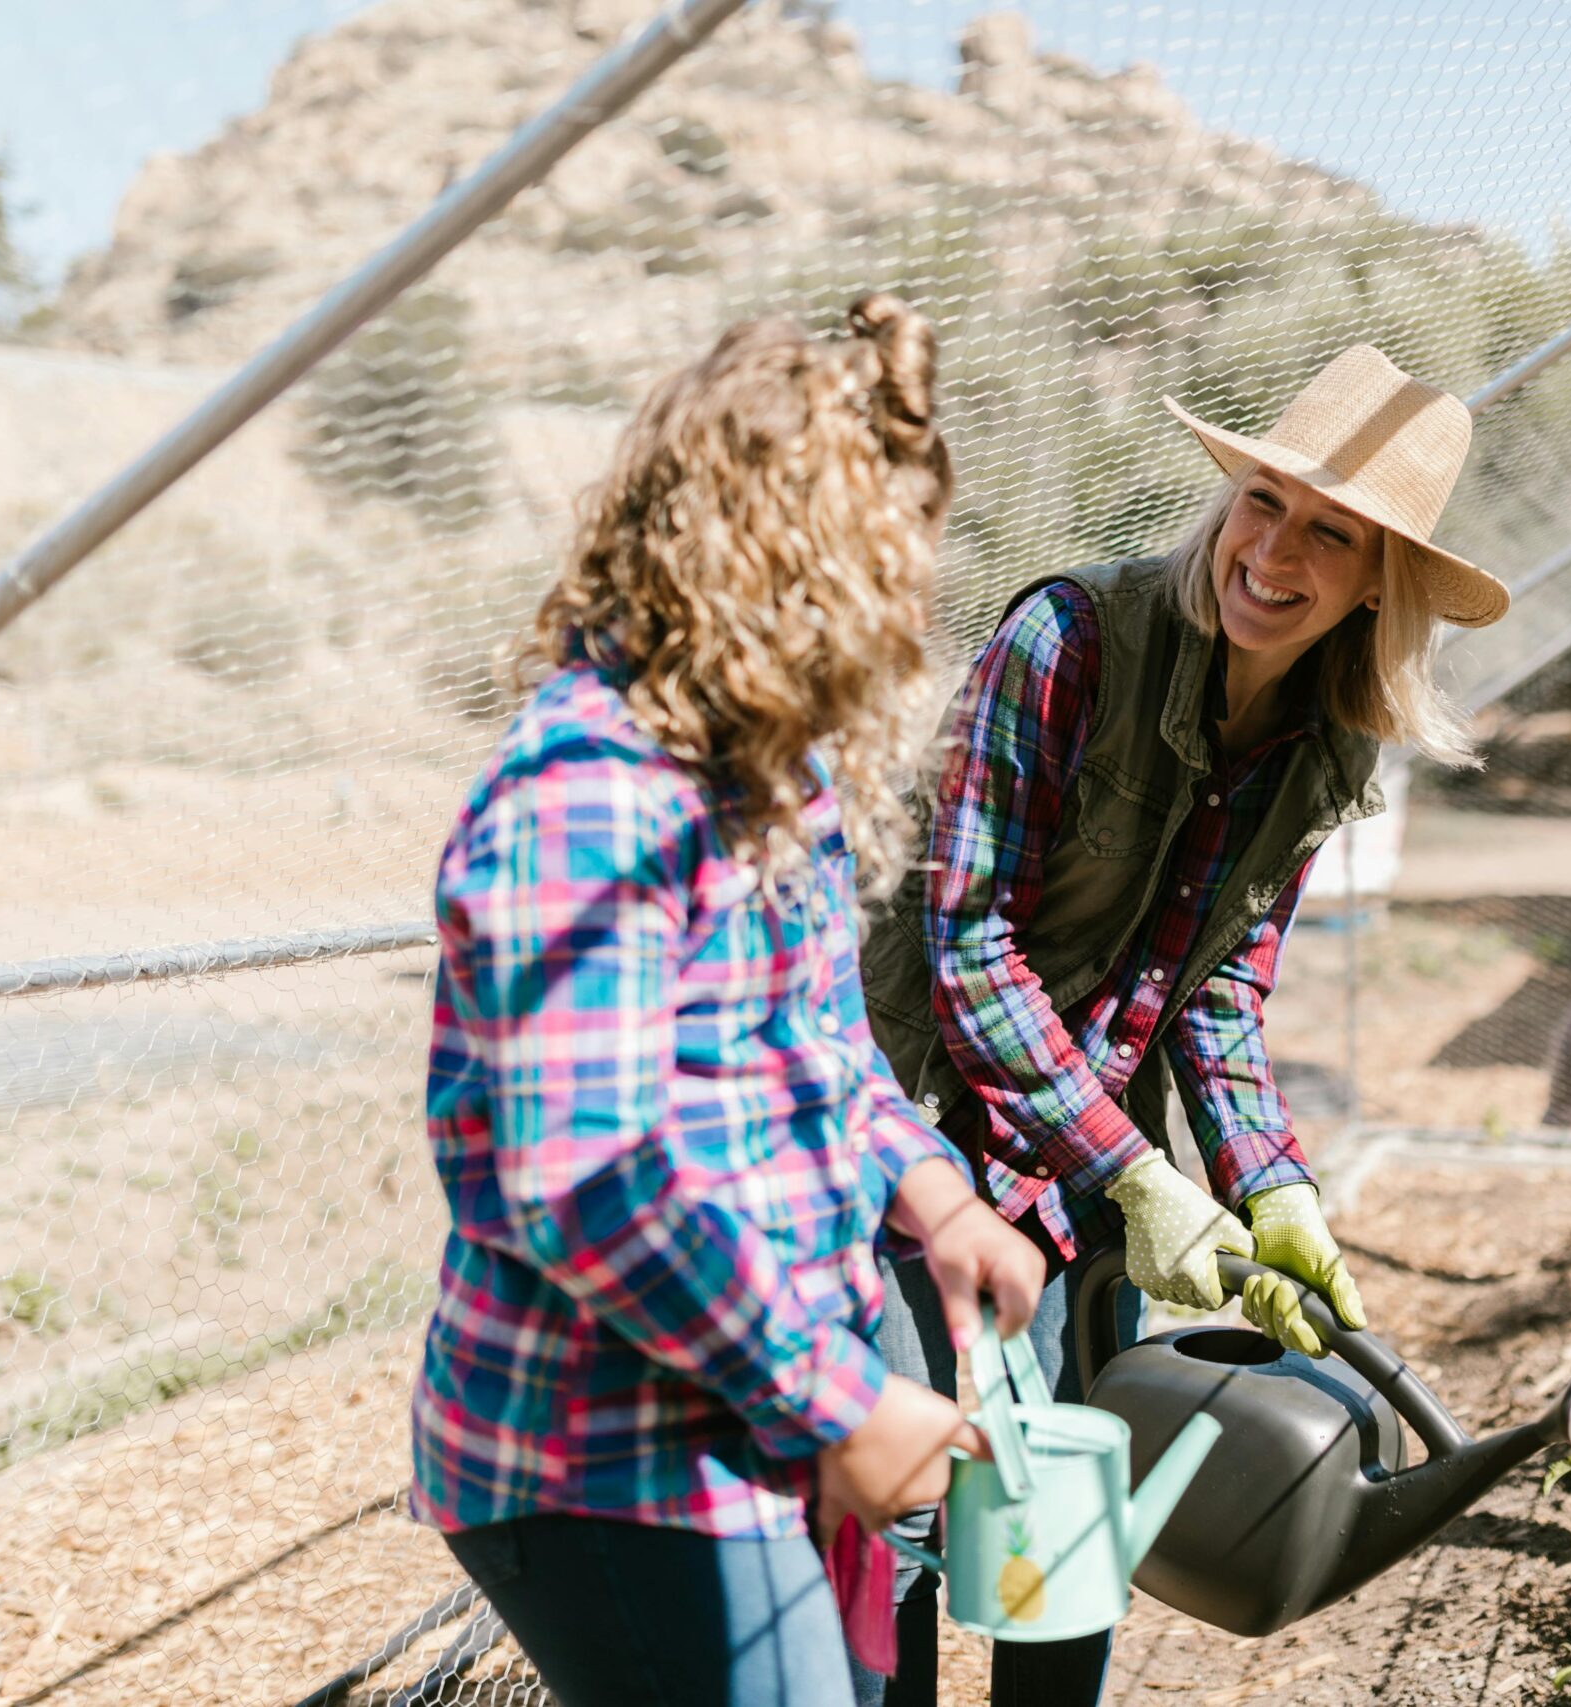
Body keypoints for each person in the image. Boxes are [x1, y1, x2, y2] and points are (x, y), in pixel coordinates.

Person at [409, 295, 1046, 1707]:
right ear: (784, 563)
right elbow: (589, 1175)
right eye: (889, 564)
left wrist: (937, 1205)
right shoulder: (588, 794)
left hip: (730, 1410)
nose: (908, 611)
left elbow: (817, 1044)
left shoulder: (770, 776)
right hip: (599, 1447)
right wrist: (842, 1400)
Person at [854, 344, 1512, 1705]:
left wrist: (1274, 1190)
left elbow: (1216, 989)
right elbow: (963, 945)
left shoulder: (1325, 741)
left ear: (1379, 584)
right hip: (910, 1137)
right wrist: (1141, 1176)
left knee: (1069, 1519)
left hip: (1081, 1159)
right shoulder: (1069, 642)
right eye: (1265, 501)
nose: (1275, 551)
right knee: (908, 1515)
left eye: (1332, 534)